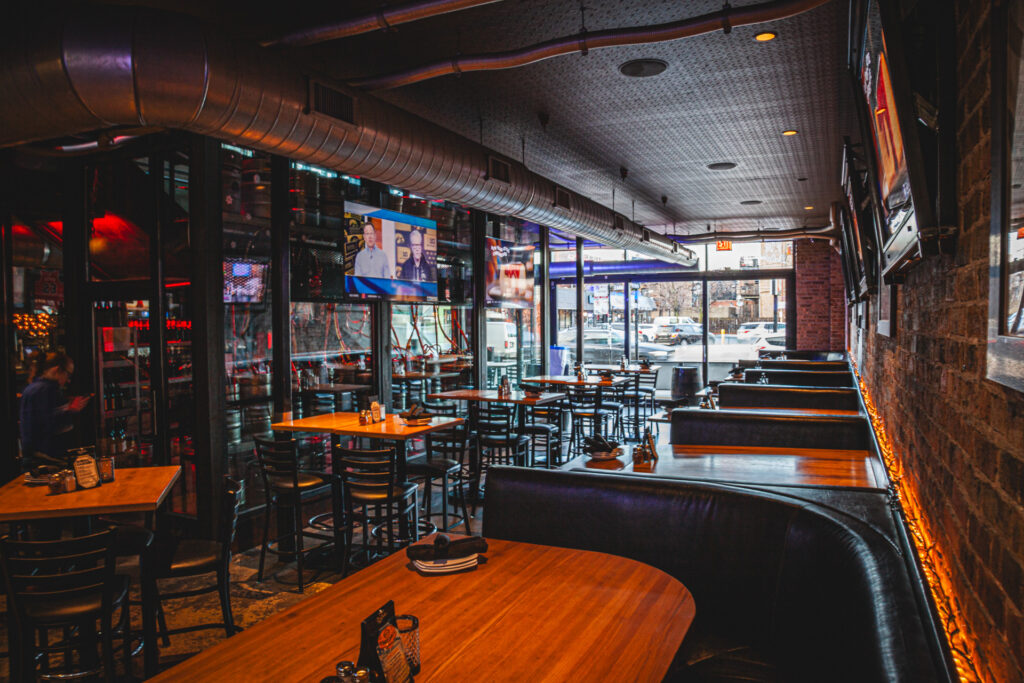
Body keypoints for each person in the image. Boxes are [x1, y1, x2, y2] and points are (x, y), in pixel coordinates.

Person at [19, 351, 90, 470]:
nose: (68, 380)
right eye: (68, 375)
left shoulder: (33, 388)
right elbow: (47, 424)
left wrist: (67, 406)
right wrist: (70, 409)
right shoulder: (47, 389)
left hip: (33, 457)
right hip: (46, 458)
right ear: (57, 370)